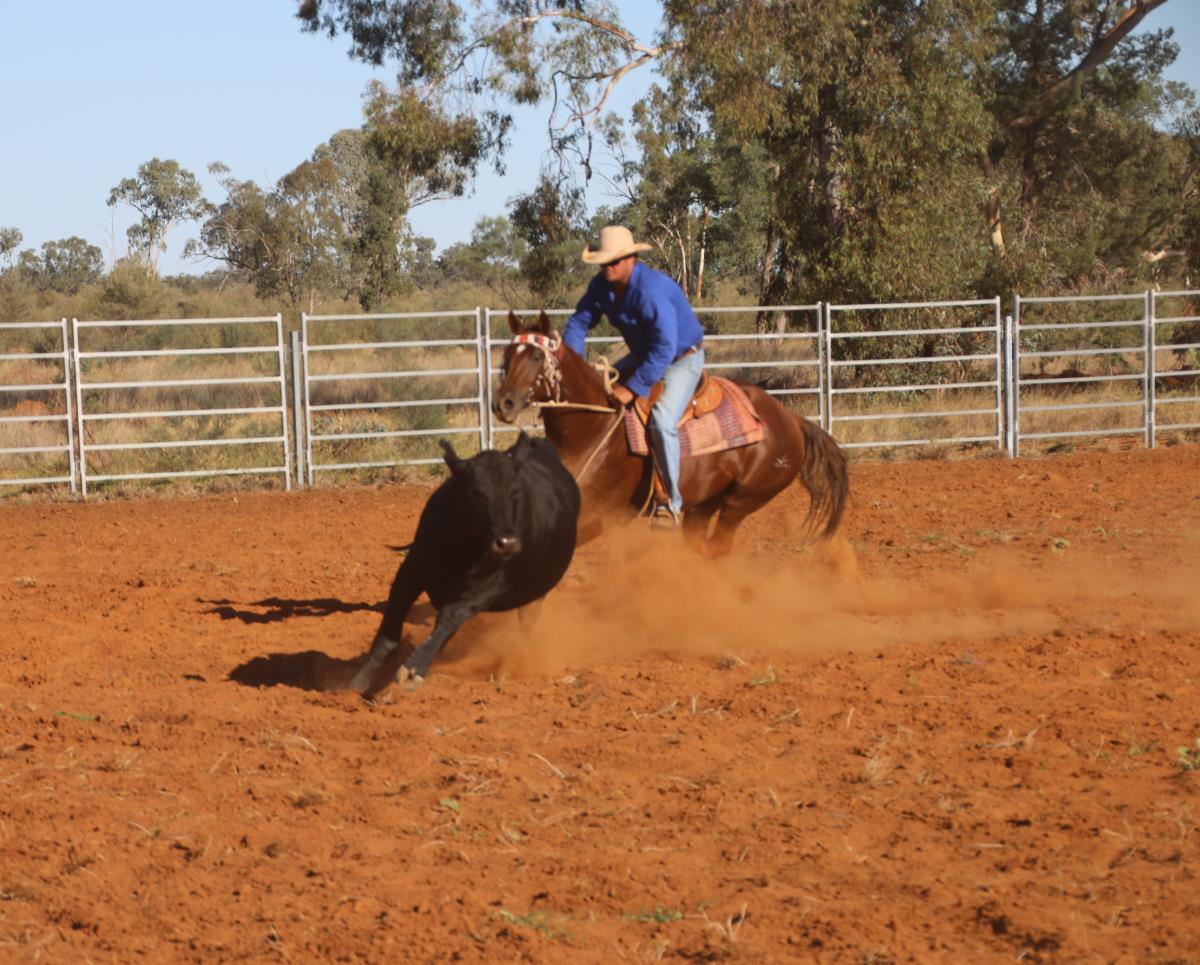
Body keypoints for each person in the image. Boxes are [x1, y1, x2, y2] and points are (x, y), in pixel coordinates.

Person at [562, 225, 705, 528]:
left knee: (662, 421)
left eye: (613, 261)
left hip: (680, 359)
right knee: (599, 397)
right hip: (645, 354)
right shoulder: (602, 285)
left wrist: (633, 387)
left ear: (631, 259)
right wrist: (573, 364)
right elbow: (579, 322)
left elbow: (665, 348)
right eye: (603, 262)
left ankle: (671, 504)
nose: (607, 267)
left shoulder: (651, 292)